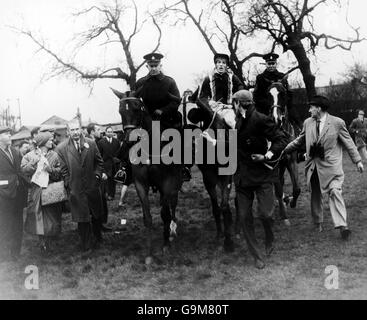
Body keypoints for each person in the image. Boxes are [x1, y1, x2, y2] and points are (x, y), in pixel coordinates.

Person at [284, 95, 364, 239]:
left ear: (319, 108)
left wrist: (357, 161)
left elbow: (349, 143)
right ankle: (317, 222)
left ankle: (342, 226)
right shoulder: (308, 123)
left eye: (311, 107)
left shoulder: (337, 123)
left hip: (331, 167)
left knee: (335, 191)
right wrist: (284, 149)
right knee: (315, 194)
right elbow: (299, 140)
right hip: (313, 166)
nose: (309, 110)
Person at [233, 90, 288, 269]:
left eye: (234, 103)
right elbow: (236, 145)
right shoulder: (237, 121)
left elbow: (281, 139)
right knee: (243, 216)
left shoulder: (261, 119)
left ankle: (269, 236)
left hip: (262, 174)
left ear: (239, 104)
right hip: (242, 178)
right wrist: (215, 143)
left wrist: (267, 155)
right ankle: (257, 255)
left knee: (266, 214)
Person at [56, 122, 105, 252]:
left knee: (96, 214)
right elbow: (63, 169)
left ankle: (98, 236)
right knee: (82, 218)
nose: (75, 132)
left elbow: (99, 163)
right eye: (72, 129)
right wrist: (69, 183)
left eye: (77, 129)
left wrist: (97, 176)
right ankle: (86, 244)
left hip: (92, 186)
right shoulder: (61, 148)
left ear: (81, 129)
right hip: (76, 188)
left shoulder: (91, 143)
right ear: (68, 131)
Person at [21, 132, 63, 253]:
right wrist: (35, 163)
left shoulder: (55, 155)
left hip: (50, 189)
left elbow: (60, 171)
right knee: (38, 216)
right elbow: (24, 171)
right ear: (42, 142)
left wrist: (50, 170)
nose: (52, 141)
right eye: (49, 140)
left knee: (51, 215)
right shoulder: (29, 156)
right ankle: (42, 241)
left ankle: (50, 239)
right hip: (36, 191)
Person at [190, 53, 244, 129]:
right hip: (213, 110)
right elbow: (202, 97)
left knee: (231, 122)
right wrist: (209, 102)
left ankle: (236, 140)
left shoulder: (233, 78)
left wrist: (235, 99)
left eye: (223, 63)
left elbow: (240, 88)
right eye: (218, 62)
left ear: (226, 65)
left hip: (228, 109)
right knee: (208, 126)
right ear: (215, 64)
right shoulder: (208, 79)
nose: (221, 65)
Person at [0, 126, 28, 261]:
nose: (10, 136)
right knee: (5, 225)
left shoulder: (15, 151)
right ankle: (4, 254)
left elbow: (19, 171)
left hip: (18, 193)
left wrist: (29, 182)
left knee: (17, 224)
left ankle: (15, 253)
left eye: (10, 133)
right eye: (6, 134)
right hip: (3, 195)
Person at [86, 123, 110, 231]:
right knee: (96, 202)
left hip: (98, 176)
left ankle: (100, 225)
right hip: (92, 179)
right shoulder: (87, 144)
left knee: (101, 201)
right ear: (92, 132)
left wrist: (102, 172)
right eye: (98, 129)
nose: (101, 131)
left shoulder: (96, 142)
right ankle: (96, 227)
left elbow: (99, 160)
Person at [97, 126, 121, 201]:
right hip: (105, 164)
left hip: (114, 164)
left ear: (113, 133)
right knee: (107, 180)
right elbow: (99, 155)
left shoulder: (116, 141)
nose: (110, 133)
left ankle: (112, 194)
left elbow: (118, 153)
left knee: (113, 180)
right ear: (105, 132)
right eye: (108, 132)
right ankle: (107, 194)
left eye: (111, 132)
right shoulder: (101, 142)